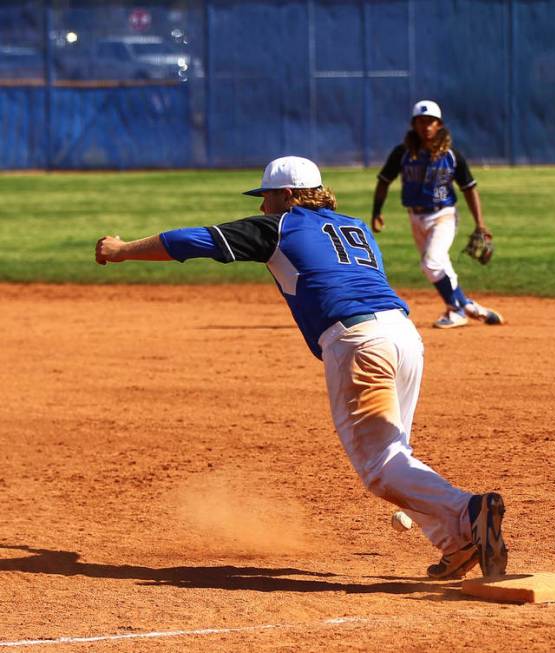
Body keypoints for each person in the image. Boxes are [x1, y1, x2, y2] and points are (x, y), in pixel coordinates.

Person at [94, 155, 508, 579]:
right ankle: (456, 541)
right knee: (395, 452)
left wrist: (123, 250)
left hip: (359, 344)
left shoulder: (280, 224)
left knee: (380, 466)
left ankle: (468, 509)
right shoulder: (355, 227)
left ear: (288, 195)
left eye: (267, 197)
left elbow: (191, 241)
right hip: (404, 335)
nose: (261, 207)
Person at [371, 100, 505, 329]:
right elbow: (384, 182)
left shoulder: (452, 155)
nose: (426, 127)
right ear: (414, 124)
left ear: (439, 124)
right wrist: (377, 211)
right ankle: (468, 305)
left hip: (443, 215)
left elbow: (469, 188)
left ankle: (456, 310)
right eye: (421, 122)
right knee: (442, 265)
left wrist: (480, 224)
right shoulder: (402, 153)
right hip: (415, 216)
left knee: (431, 263)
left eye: (430, 122)